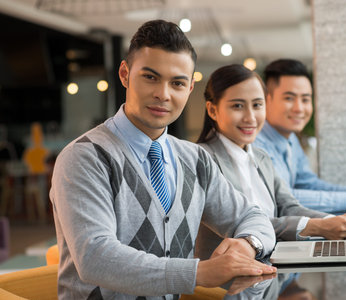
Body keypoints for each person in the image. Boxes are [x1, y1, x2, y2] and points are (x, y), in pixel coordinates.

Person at [50, 20, 277, 300]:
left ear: (190, 88)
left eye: (177, 83)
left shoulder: (195, 160)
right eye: (150, 77)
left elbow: (251, 216)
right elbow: (95, 255)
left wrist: (247, 244)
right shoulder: (85, 157)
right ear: (124, 74)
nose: (163, 94)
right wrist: (199, 273)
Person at [195, 64, 346, 258]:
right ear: (212, 110)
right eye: (237, 106)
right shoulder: (203, 160)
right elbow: (245, 225)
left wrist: (340, 222)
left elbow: (289, 206)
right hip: (226, 280)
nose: (250, 117)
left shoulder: (261, 156)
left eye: (257, 105)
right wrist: (320, 226)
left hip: (268, 267)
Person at [253, 59, 346, 214]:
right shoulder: (256, 143)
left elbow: (308, 183)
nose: (299, 108)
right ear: (266, 100)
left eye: (305, 99)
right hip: (279, 228)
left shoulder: (290, 139)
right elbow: (280, 199)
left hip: (294, 219)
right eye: (289, 98)